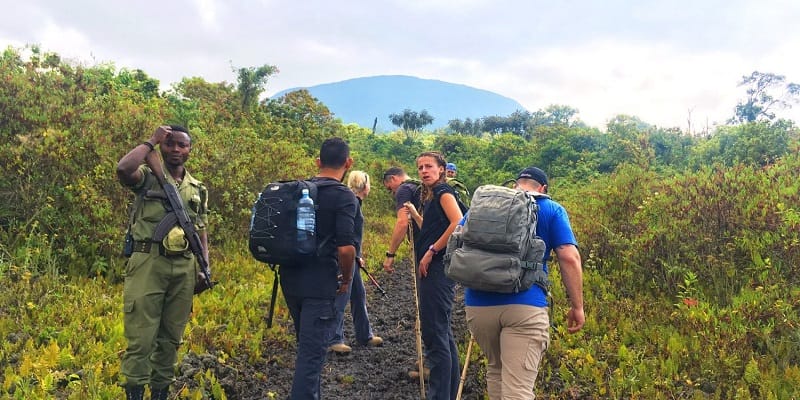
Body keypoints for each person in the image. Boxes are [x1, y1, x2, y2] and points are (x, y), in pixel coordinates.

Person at [464, 166, 585, 400]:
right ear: (544, 188)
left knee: (496, 370)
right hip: (525, 307)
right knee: (518, 389)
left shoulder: (483, 207)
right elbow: (569, 257)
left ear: (515, 185)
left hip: (478, 306)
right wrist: (577, 306)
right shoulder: (551, 209)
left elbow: (459, 241)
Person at [116, 125, 210, 400]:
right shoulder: (147, 176)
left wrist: (205, 265)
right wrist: (150, 141)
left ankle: (160, 392)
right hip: (148, 262)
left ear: (190, 150)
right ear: (163, 147)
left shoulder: (197, 188)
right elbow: (123, 169)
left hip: (183, 266)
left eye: (183, 145)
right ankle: (135, 392)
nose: (177, 150)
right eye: (170, 144)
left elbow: (201, 229)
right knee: (141, 337)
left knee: (171, 337)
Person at [279, 137, 358, 400]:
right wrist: (346, 280)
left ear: (317, 162)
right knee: (311, 359)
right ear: (348, 163)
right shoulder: (344, 195)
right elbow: (346, 248)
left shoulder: (298, 189)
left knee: (307, 346)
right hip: (321, 283)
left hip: (290, 279)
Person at [404, 151, 463, 400]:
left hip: (438, 270)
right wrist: (416, 217)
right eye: (420, 168)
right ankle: (448, 393)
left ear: (441, 169)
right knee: (442, 332)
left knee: (435, 333)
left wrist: (431, 251)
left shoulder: (443, 193)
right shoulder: (431, 196)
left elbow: (458, 222)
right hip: (436, 269)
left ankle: (440, 395)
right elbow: (432, 228)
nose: (424, 171)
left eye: (429, 166)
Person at [329, 170, 383, 353]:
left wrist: (358, 255)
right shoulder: (351, 202)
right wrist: (353, 255)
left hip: (353, 257)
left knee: (358, 295)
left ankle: (364, 335)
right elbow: (347, 234)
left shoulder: (354, 202)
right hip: (345, 257)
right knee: (341, 296)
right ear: (364, 185)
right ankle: (334, 339)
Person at [381, 166, 420, 273]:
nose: (392, 193)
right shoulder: (417, 185)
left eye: (390, 188)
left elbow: (402, 222)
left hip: (423, 244)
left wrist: (390, 254)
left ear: (393, 178)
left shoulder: (404, 189)